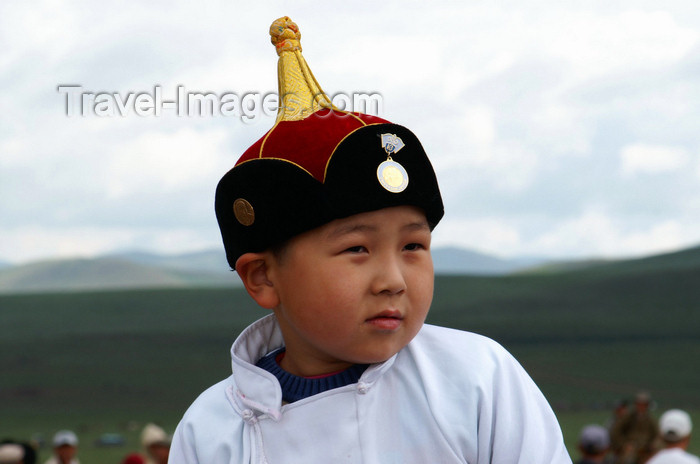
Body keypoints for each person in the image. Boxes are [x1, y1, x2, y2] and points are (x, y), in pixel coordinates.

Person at [169, 16, 571, 464]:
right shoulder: (212, 431)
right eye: (357, 248)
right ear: (263, 276)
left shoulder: (477, 378)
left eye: (413, 246)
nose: (393, 281)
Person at [610, 392, 659, 464]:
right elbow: (616, 431)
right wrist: (623, 444)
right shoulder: (628, 417)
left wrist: (651, 445)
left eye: (644, 404)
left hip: (645, 448)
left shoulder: (650, 419)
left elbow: (656, 434)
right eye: (639, 404)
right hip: (630, 447)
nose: (641, 407)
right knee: (627, 460)